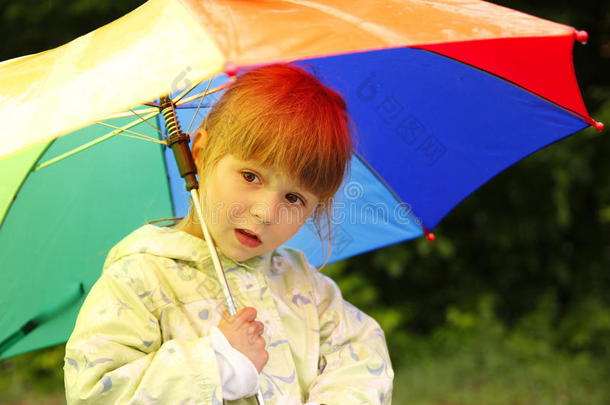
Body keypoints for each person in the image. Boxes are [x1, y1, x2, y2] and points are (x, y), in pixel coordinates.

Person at [64, 64, 393, 404]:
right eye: (251, 176)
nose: (265, 212)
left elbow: (363, 358)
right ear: (201, 153)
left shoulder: (305, 290)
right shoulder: (139, 282)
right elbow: (96, 393)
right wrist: (218, 362)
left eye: (293, 198)